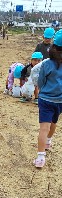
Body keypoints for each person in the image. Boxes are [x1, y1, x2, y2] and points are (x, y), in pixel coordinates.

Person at [33, 29, 62, 168]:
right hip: (60, 101)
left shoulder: (46, 63)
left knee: (43, 127)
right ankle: (49, 141)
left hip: (46, 99)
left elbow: (40, 82)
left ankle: (40, 158)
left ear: (53, 46)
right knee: (54, 121)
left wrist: (43, 90)